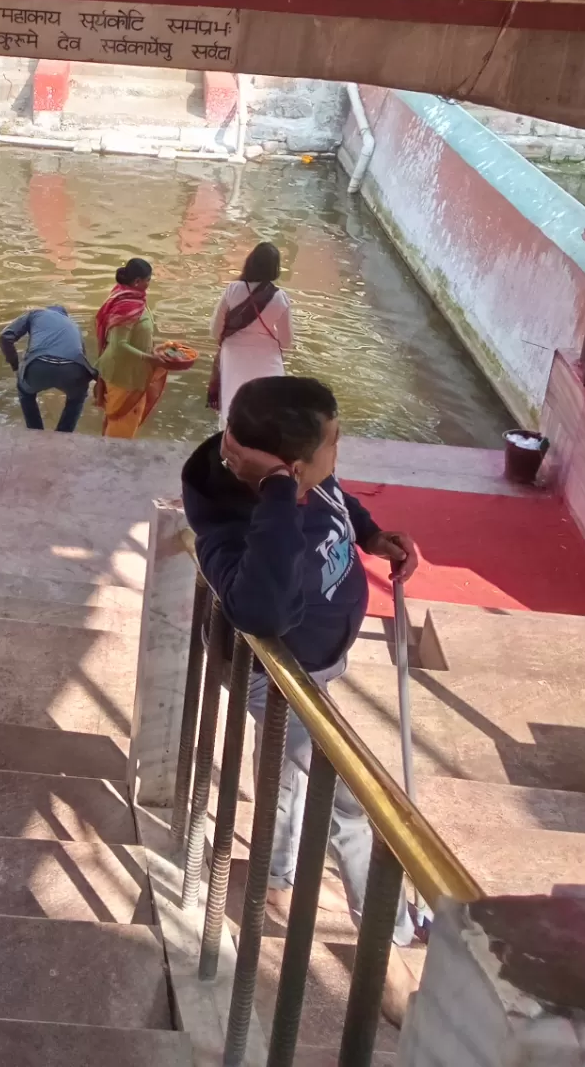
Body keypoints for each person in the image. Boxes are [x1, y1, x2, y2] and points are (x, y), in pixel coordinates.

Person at [180, 375, 422, 1025]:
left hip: (320, 663)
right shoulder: (236, 527)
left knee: (288, 776)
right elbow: (259, 608)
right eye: (331, 445)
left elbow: (337, 500)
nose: (338, 456)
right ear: (284, 473)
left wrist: (370, 537)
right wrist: (281, 495)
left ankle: (277, 878)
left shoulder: (303, 483)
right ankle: (385, 952)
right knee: (350, 806)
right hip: (284, 679)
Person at [207, 242, 293, 421]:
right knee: (270, 416)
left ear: (250, 262)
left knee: (233, 414)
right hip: (269, 363)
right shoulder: (280, 298)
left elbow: (215, 331)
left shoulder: (233, 290)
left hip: (233, 359)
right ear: (275, 268)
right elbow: (286, 342)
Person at [94, 258, 169, 439]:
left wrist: (152, 349)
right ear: (137, 282)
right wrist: (148, 358)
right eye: (148, 280)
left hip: (132, 370)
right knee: (121, 426)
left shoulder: (131, 297)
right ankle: (113, 461)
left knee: (121, 423)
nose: (149, 283)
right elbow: (119, 345)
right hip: (124, 375)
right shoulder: (125, 305)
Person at [0, 305, 96, 432]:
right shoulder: (74, 325)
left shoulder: (35, 313)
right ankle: (63, 435)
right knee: (77, 398)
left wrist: (16, 367)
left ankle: (35, 433)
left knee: (25, 392)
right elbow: (82, 357)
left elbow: (5, 337)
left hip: (38, 366)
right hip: (73, 369)